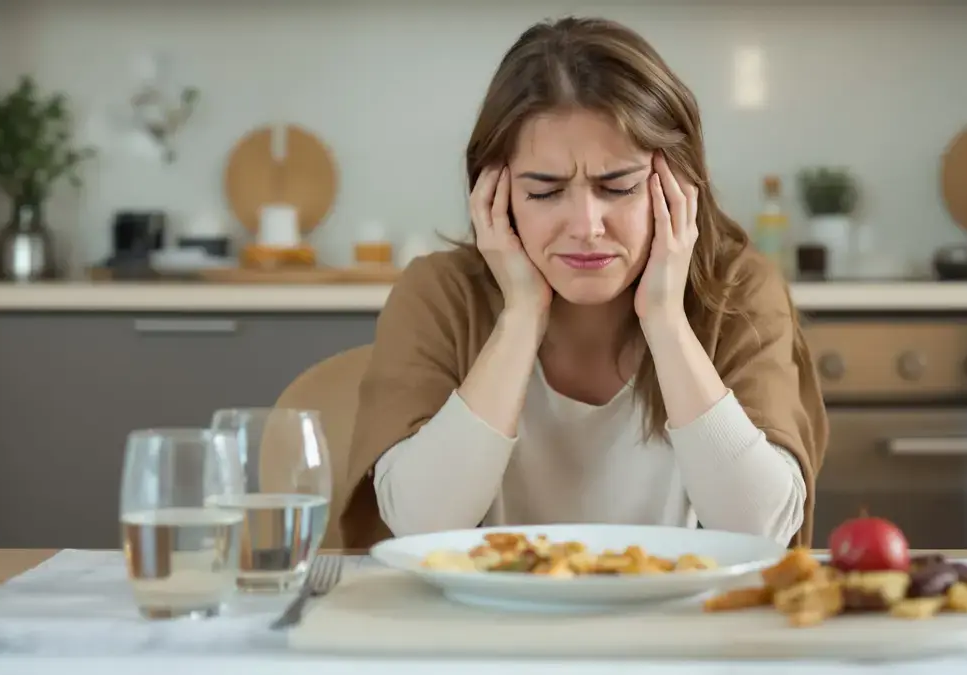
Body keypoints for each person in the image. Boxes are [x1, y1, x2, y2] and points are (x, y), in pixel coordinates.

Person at [339, 16, 828, 549]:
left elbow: (762, 531)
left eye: (617, 187)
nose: (586, 226)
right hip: (485, 628)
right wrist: (522, 315)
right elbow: (419, 524)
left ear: (676, 185)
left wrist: (665, 319)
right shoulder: (437, 293)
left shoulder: (740, 289)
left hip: (681, 626)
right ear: (493, 193)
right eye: (545, 192)